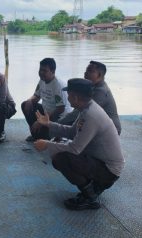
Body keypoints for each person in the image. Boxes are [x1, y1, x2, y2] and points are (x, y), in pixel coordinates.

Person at [34, 78, 125, 210]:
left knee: (62, 158)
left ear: (75, 97)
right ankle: (91, 187)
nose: (68, 98)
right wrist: (49, 124)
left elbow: (75, 149)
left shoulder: (91, 115)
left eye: (69, 94)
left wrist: (47, 144)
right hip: (100, 162)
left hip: (109, 170)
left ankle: (90, 195)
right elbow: (72, 132)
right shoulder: (87, 107)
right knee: (60, 150)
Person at [58, 61, 121, 135]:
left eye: (90, 71)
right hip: (97, 122)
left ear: (99, 75)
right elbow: (78, 107)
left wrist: (58, 122)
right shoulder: (93, 86)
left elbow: (78, 113)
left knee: (69, 127)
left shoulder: (100, 92)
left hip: (112, 130)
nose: (85, 73)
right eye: (86, 70)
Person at [21, 58, 71, 141]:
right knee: (25, 104)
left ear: (53, 72)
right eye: (40, 70)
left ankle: (44, 134)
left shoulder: (57, 85)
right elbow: (36, 96)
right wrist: (29, 100)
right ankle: (35, 133)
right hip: (46, 111)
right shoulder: (42, 80)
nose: (41, 73)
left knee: (44, 136)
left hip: (58, 116)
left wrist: (42, 120)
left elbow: (60, 109)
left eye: (44, 71)